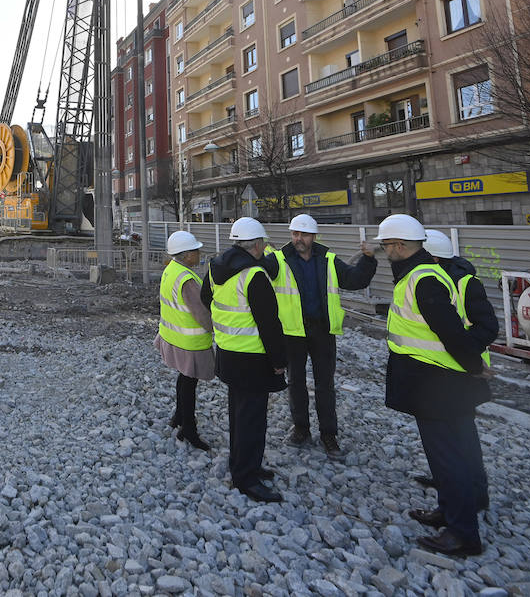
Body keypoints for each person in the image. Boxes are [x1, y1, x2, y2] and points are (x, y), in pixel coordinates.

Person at [377, 214, 494, 557]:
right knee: (459, 449)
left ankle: (462, 534)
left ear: (399, 245)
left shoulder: (422, 280)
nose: (387, 252)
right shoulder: (427, 275)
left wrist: (475, 367)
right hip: (441, 380)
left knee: (447, 458)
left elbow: (451, 333)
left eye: (387, 246)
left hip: (435, 383)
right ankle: (453, 511)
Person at [263, 213, 377, 457]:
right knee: (295, 383)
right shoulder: (278, 260)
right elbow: (254, 273)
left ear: (313, 236)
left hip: (322, 330)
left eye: (304, 234)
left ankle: (328, 434)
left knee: (325, 384)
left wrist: (368, 260)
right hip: (292, 332)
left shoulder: (329, 260)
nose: (299, 239)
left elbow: (355, 280)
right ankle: (301, 428)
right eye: (295, 234)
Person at [202, 217, 288, 503]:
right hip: (253, 358)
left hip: (227, 354)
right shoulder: (255, 275)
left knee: (239, 415)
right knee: (252, 418)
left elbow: (206, 299)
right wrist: (279, 361)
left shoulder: (215, 267)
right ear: (259, 245)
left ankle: (241, 464)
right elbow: (269, 324)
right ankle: (246, 478)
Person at [414, 229, 498, 506]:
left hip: (463, 372)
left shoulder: (464, 284)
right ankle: (452, 481)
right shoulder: (433, 281)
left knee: (460, 435)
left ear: (434, 257)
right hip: (440, 373)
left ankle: (473, 492)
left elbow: (487, 327)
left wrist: (461, 351)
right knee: (450, 436)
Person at [158, 230, 215, 451]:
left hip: (173, 337)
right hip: (190, 342)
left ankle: (179, 417)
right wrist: (218, 329)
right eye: (196, 250)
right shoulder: (187, 280)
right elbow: (202, 315)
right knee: (189, 384)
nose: (199, 253)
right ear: (186, 255)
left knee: (184, 380)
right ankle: (189, 429)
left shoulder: (171, 270)